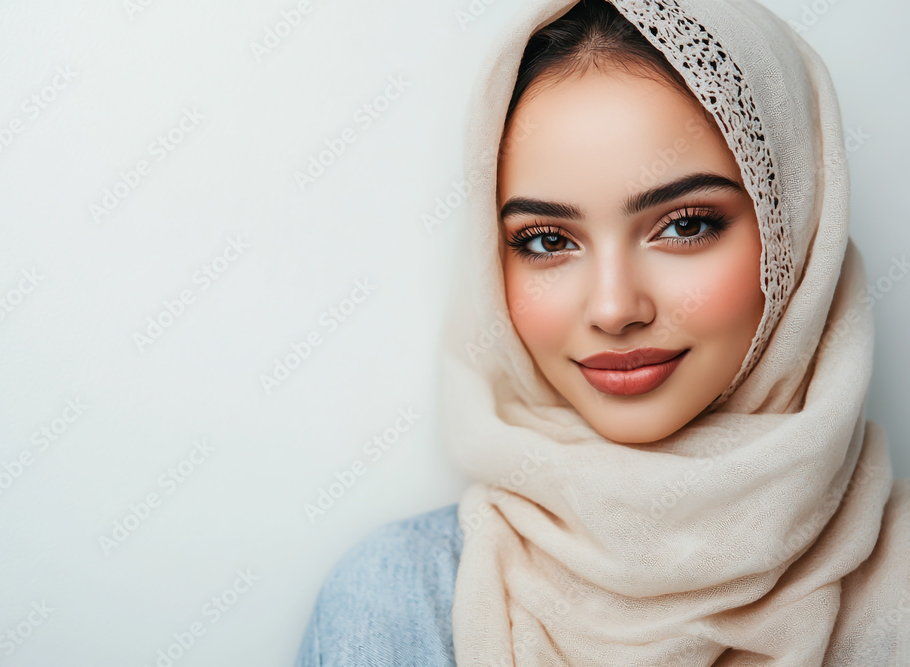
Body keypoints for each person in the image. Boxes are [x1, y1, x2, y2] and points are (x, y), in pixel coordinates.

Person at [294, 0, 910, 664]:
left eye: (685, 224)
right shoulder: (394, 604)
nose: (615, 309)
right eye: (548, 239)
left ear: (796, 234)